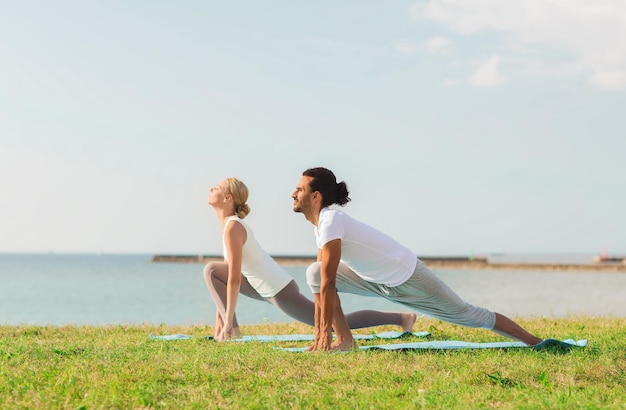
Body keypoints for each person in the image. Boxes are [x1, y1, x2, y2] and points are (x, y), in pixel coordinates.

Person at [291, 167, 544, 352]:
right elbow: (322, 280)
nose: (293, 193)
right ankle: (345, 342)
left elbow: (329, 281)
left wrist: (324, 331)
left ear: (316, 196)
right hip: (374, 280)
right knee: (314, 272)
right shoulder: (320, 226)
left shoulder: (331, 221)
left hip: (408, 277)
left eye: (300, 189)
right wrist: (318, 335)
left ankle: (535, 342)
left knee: (469, 315)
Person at [203, 177, 417, 341]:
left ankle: (401, 318)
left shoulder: (233, 227)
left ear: (227, 198)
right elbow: (226, 279)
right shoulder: (228, 227)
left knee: (334, 324)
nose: (211, 189)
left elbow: (233, 280)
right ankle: (230, 332)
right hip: (257, 285)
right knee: (213, 272)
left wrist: (229, 320)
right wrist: (220, 322)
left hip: (279, 290)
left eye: (217, 188)